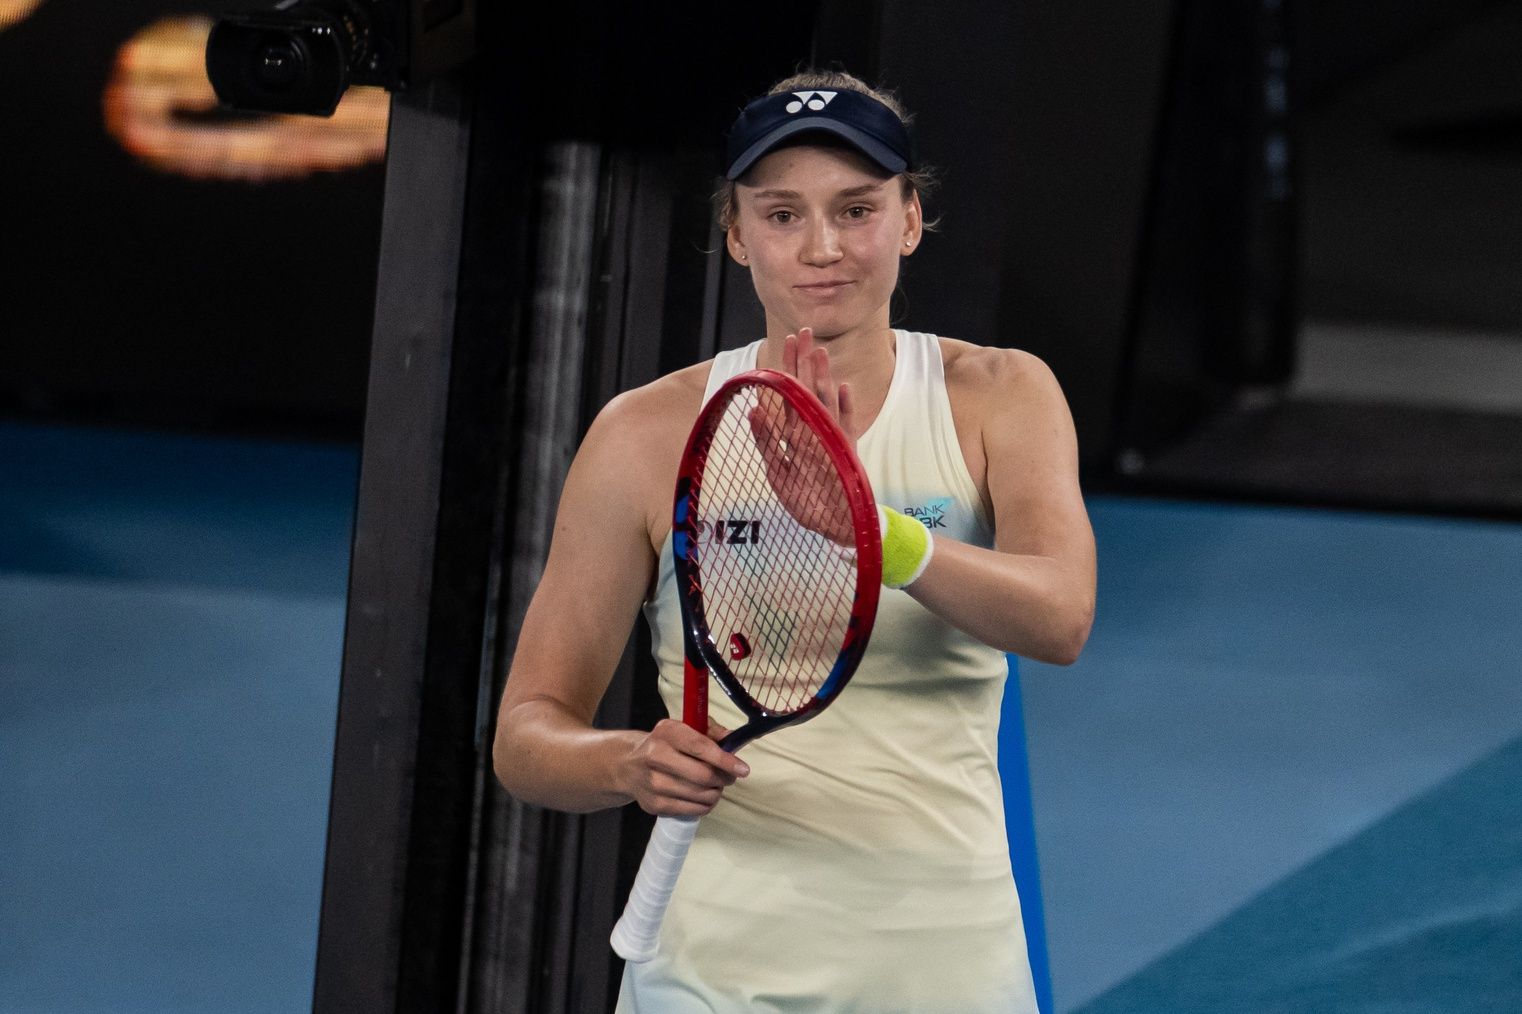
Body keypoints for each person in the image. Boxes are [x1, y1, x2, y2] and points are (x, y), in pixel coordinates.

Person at [493, 69, 1096, 1012]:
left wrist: (872, 534)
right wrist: (627, 763)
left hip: (944, 965)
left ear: (909, 220)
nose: (823, 247)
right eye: (781, 215)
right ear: (737, 236)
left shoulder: (1001, 396)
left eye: (856, 209)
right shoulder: (646, 434)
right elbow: (526, 737)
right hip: (711, 972)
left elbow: (1060, 618)